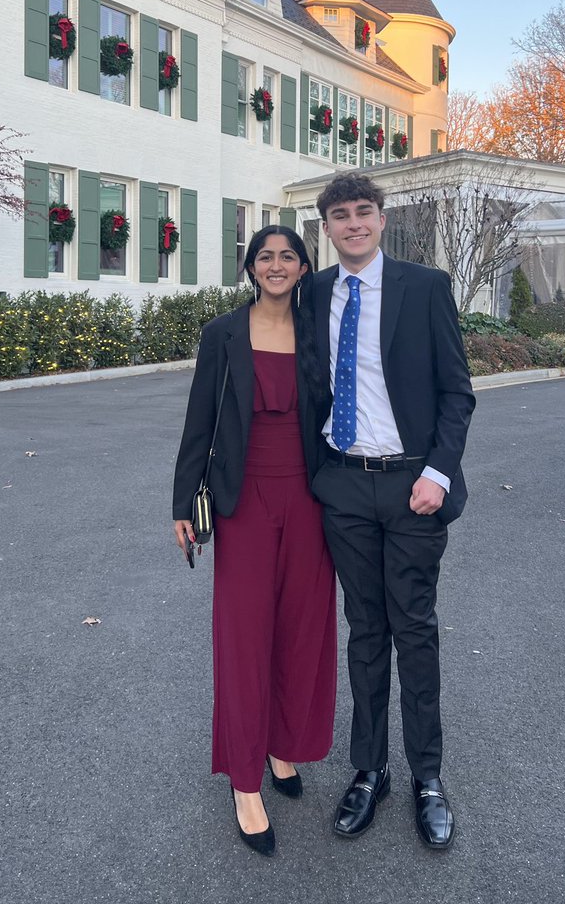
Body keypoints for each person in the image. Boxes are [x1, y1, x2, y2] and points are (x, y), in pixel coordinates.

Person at [310, 171, 476, 849]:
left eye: (363, 212)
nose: (353, 223)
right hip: (345, 485)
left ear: (381, 220)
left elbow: (457, 393)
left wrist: (438, 472)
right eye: (340, 215)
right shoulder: (314, 293)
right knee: (366, 630)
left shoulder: (425, 287)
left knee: (415, 630)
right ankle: (369, 769)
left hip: (413, 487)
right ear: (327, 227)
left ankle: (427, 777)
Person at [172, 226, 336, 858]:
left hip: (311, 500)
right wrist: (183, 503)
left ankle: (281, 746)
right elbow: (199, 421)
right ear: (250, 268)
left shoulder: (318, 333)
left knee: (301, 631)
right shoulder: (222, 334)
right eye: (264, 256)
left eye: (287, 256)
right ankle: (245, 782)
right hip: (242, 503)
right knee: (243, 639)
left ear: (303, 269)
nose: (276, 265)